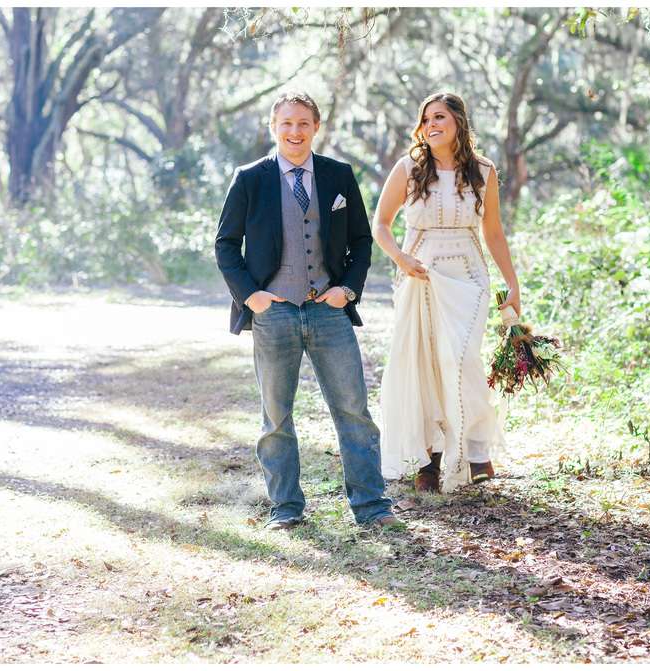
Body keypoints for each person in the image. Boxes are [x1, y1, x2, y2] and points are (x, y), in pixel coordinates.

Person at [215, 90, 400, 530]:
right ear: (272, 127)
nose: (295, 131)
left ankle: (372, 506)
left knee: (353, 410)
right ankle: (286, 508)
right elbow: (225, 245)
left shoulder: (338, 174)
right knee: (276, 416)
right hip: (273, 312)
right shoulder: (250, 177)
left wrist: (347, 290)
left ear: (316, 127)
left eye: (303, 123)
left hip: (329, 311)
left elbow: (360, 240)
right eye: (286, 123)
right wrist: (252, 297)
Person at [372, 92, 521, 494]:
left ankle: (474, 449)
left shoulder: (484, 171)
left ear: (458, 120)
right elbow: (381, 225)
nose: (431, 125)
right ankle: (429, 461)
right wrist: (400, 258)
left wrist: (513, 283)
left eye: (439, 116)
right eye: (425, 119)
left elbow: (493, 232)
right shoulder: (409, 168)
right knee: (422, 365)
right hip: (421, 274)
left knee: (461, 358)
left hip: (469, 276)